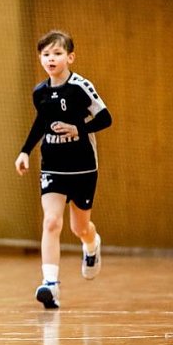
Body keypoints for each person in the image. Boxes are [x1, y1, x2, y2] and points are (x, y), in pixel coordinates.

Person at [15, 30, 112, 309]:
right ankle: (50, 285)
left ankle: (92, 245)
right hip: (53, 165)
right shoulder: (40, 92)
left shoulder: (80, 87)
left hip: (82, 167)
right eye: (46, 54)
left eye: (57, 53)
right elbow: (41, 123)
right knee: (52, 222)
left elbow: (106, 118)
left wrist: (77, 128)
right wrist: (24, 151)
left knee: (79, 227)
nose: (51, 59)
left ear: (70, 57)